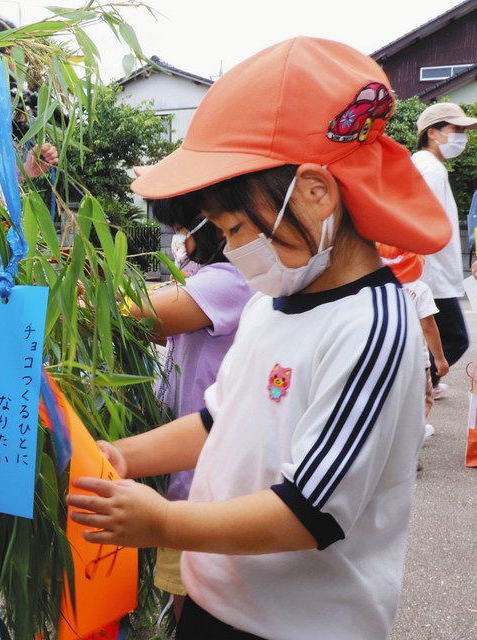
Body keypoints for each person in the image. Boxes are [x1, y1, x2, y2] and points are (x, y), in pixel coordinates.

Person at [67, 37, 451, 640]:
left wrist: (164, 524)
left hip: (296, 626)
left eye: (239, 226)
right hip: (213, 602)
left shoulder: (372, 327)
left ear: (315, 192)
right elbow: (218, 422)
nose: (234, 247)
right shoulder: (273, 303)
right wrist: (126, 456)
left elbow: (309, 512)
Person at [128, 197, 252, 619]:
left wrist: (65, 300)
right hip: (186, 455)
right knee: (183, 589)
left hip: (207, 470)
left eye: (183, 229)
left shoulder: (231, 279)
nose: (179, 240)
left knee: (197, 599)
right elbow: (168, 327)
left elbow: (141, 315)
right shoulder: (202, 275)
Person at [411, 103, 477, 399]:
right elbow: (421, 220)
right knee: (456, 339)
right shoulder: (430, 169)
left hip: (428, 272)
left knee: (429, 339)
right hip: (431, 274)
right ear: (433, 133)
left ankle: (423, 386)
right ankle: (413, 391)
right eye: (456, 129)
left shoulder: (426, 165)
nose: (462, 136)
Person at [377, 243, 448, 438]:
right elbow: (428, 326)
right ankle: (413, 436)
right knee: (423, 399)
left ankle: (389, 436)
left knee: (389, 400)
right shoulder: (420, 288)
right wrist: (440, 358)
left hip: (382, 356)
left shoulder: (377, 286)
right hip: (415, 359)